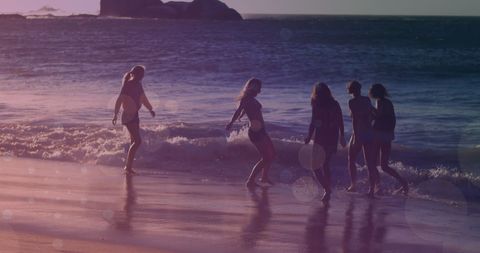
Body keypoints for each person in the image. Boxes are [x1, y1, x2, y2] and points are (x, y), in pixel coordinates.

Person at [226, 78, 276, 188]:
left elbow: (245, 110)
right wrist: (231, 123)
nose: (260, 91)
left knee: (272, 154)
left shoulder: (251, 99)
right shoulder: (246, 99)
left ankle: (264, 177)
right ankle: (250, 181)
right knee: (266, 157)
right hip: (255, 132)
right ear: (253, 87)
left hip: (262, 131)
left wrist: (243, 114)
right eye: (259, 88)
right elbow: (238, 111)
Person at [305, 82, 346, 202]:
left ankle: (326, 189)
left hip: (321, 136)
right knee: (325, 165)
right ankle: (327, 190)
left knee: (315, 166)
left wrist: (309, 135)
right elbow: (340, 121)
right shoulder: (335, 104)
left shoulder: (316, 103)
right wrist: (342, 135)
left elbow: (313, 121)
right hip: (332, 135)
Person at [112, 65, 155, 174]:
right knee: (138, 141)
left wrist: (150, 109)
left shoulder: (139, 85)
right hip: (127, 116)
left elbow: (143, 98)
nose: (143, 77)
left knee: (133, 141)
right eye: (142, 75)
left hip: (135, 115)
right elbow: (119, 99)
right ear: (137, 74)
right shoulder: (127, 85)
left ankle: (129, 167)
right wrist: (115, 114)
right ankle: (127, 167)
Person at [369, 83, 408, 195]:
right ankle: (403, 182)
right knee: (384, 165)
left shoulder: (380, 102)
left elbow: (378, 115)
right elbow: (392, 119)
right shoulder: (388, 102)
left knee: (372, 163)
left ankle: (378, 186)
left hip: (379, 135)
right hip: (387, 135)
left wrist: (369, 107)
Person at [345, 81, 378, 195]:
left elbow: (354, 119)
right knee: (370, 163)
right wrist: (370, 122)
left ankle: (353, 185)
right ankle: (372, 189)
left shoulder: (352, 102)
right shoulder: (367, 100)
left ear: (350, 90)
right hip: (369, 132)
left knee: (351, 159)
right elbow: (375, 113)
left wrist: (356, 134)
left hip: (359, 133)